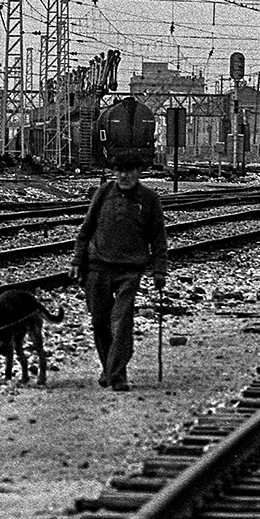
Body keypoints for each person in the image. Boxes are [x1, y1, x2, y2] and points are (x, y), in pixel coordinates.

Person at [68, 162, 168, 392]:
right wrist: (77, 261)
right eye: (120, 171)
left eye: (129, 170)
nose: (124, 175)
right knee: (99, 323)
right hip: (97, 268)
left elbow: (159, 238)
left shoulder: (149, 199)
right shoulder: (104, 193)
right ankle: (111, 369)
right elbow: (86, 229)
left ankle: (116, 375)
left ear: (138, 173)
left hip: (129, 270)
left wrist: (159, 270)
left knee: (121, 323)